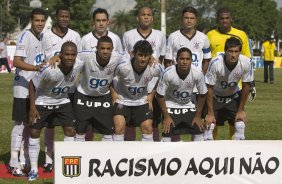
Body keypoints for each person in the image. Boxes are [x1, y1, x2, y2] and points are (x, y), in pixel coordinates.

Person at [28, 41, 82, 181]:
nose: (70, 57)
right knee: (34, 131)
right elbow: (32, 84)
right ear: (61, 55)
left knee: (70, 130)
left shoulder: (79, 64)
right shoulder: (49, 70)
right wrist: (32, 108)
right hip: (43, 101)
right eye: (67, 54)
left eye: (73, 54)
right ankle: (34, 169)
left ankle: (68, 166)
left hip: (62, 101)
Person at [41, 5, 82, 173]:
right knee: (49, 126)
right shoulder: (46, 35)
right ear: (56, 17)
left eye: (67, 16)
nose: (64, 19)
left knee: (69, 127)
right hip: (51, 86)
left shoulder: (75, 35)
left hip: (69, 87)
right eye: (62, 16)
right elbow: (44, 58)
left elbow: (77, 59)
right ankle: (49, 159)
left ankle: (68, 160)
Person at [8, 8, 47, 177]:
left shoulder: (43, 37)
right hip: (23, 87)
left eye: (42, 20)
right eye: (37, 20)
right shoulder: (25, 36)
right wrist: (35, 67)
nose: (40, 23)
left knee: (31, 124)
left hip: (36, 87)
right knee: (19, 124)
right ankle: (13, 163)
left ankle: (23, 160)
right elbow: (17, 61)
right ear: (31, 20)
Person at [206, 7, 254, 139]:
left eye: (227, 18)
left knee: (238, 123)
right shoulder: (210, 35)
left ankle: (236, 153)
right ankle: (210, 150)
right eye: (222, 18)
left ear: (231, 19)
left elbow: (246, 59)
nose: (224, 21)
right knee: (210, 124)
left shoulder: (241, 35)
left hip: (234, 87)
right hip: (215, 82)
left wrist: (241, 109)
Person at [122, 7, 166, 141]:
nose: (146, 17)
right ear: (138, 18)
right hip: (133, 85)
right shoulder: (128, 35)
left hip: (152, 86)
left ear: (152, 18)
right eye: (143, 14)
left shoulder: (160, 35)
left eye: (149, 15)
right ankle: (130, 154)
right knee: (129, 122)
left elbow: (161, 60)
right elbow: (125, 58)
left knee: (153, 121)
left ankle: (153, 152)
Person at [81, 8, 123, 141]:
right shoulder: (85, 39)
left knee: (107, 124)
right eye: (98, 20)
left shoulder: (115, 39)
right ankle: (87, 154)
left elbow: (120, 62)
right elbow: (79, 63)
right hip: (87, 88)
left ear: (108, 22)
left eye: (104, 20)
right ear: (93, 22)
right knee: (86, 126)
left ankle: (105, 155)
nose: (101, 23)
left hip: (109, 88)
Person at [73, 36, 122, 142]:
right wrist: (57, 56)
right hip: (83, 96)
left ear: (112, 49)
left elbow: (132, 58)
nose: (105, 51)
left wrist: (151, 58)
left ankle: (106, 157)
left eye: (108, 49)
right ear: (97, 48)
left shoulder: (117, 57)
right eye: (102, 48)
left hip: (103, 97)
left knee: (108, 132)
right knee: (80, 131)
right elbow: (69, 55)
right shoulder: (85, 56)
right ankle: (81, 156)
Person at [112, 40, 163, 142]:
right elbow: (108, 76)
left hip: (141, 100)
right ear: (134, 54)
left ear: (150, 56)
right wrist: (113, 93)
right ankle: (117, 155)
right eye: (140, 55)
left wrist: (152, 94)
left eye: (146, 55)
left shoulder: (155, 68)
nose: (143, 59)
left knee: (147, 127)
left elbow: (163, 78)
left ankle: (147, 156)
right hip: (122, 99)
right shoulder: (123, 67)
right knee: (119, 127)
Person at [156, 47, 206, 142]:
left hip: (189, 104)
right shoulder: (168, 73)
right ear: (176, 60)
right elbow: (159, 95)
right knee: (167, 132)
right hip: (171, 104)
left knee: (199, 130)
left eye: (187, 59)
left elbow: (202, 94)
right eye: (182, 59)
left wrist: (198, 116)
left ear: (192, 60)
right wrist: (166, 116)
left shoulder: (198, 73)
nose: (184, 62)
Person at [165, 6, 211, 73]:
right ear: (182, 19)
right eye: (186, 18)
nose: (189, 21)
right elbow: (168, 61)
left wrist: (201, 76)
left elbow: (207, 60)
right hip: (178, 79)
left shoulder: (203, 37)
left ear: (196, 20)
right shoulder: (173, 37)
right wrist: (173, 76)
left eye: (192, 18)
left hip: (196, 79)